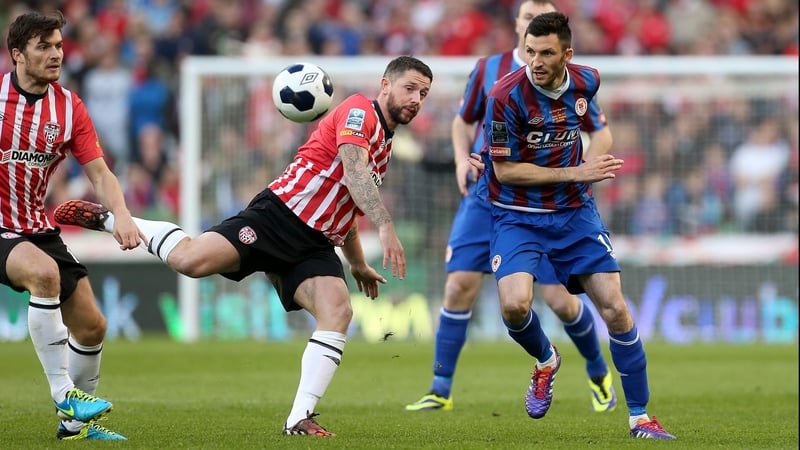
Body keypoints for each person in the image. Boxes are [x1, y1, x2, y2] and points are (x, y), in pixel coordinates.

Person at [54, 55, 434, 437]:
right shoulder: (358, 112)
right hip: (278, 217)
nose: (417, 98)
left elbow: (346, 209)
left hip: (315, 244)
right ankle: (109, 218)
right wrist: (385, 226)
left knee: (337, 311)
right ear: (385, 85)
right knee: (190, 261)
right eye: (410, 88)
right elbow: (353, 174)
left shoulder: (385, 144)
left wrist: (355, 264)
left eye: (424, 93)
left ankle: (299, 418)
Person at [406, 0, 617, 414]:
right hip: (487, 193)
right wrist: (458, 157)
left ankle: (597, 371)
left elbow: (598, 129)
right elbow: (462, 121)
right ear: (519, 26)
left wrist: (580, 167)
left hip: (545, 200)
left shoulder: (569, 80)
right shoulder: (489, 70)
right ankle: (440, 389)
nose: (531, 27)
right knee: (459, 284)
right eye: (526, 19)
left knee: (560, 299)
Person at [481, 12, 675, 439]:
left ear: (567, 54)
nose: (535, 60)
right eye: (530, 51)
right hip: (518, 213)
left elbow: (596, 128)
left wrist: (594, 158)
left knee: (616, 308)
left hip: (574, 213)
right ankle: (547, 360)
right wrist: (577, 172)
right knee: (514, 305)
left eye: (546, 52)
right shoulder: (504, 95)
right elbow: (507, 172)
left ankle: (640, 417)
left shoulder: (587, 81)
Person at [1, 10, 140, 441]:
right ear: (17, 55)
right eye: (44, 46)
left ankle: (74, 427)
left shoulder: (69, 106)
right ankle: (65, 393)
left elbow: (100, 173)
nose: (56, 54)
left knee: (92, 326)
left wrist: (122, 216)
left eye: (59, 45)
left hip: (35, 227)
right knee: (44, 275)